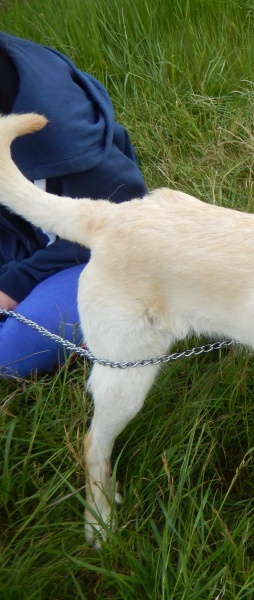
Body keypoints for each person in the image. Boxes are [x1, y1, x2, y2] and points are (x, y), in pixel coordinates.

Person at [0, 31, 147, 378]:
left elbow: (122, 223)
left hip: (88, 254)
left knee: (12, 354)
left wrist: (13, 285)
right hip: (16, 242)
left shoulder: (61, 129)